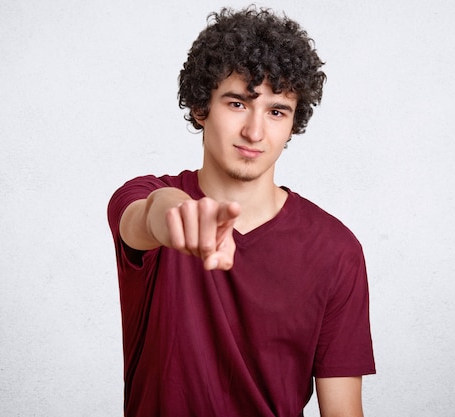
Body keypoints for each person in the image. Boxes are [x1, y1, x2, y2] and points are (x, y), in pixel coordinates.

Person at [108, 6, 375, 417]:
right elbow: (145, 218)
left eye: (276, 111)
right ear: (201, 108)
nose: (254, 131)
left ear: (292, 123)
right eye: (237, 104)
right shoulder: (148, 195)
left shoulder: (336, 251)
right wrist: (177, 215)